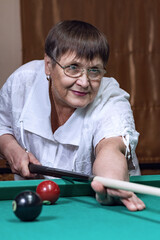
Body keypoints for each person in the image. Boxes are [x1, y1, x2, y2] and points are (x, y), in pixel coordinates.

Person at [0, 20, 145, 211]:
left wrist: (112, 181)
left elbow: (111, 148)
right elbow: (3, 126)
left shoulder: (112, 98)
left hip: (105, 210)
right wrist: (12, 150)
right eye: (73, 68)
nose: (84, 82)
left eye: (94, 70)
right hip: (37, 205)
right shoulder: (22, 81)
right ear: (48, 65)